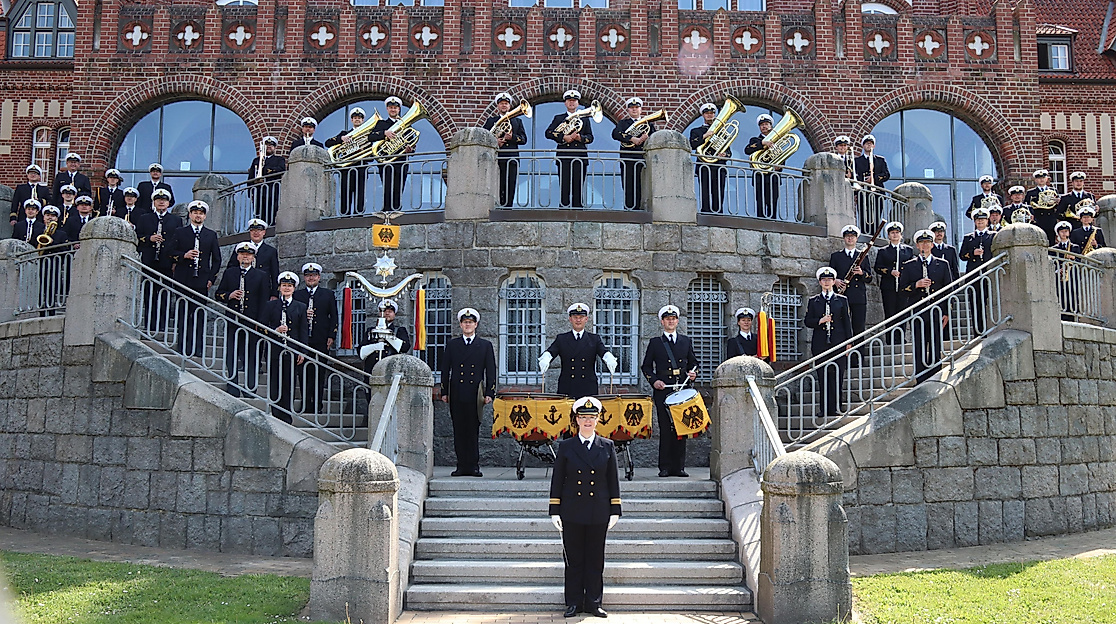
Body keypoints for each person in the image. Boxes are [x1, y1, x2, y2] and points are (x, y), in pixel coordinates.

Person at [548, 396, 621, 619]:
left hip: (598, 511)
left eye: (592, 417)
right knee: (574, 560)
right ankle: (573, 602)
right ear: (576, 420)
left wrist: (615, 509)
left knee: (595, 559)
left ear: (598, 420)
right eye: (583, 417)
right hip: (572, 511)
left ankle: (594, 602)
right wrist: (554, 510)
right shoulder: (566, 446)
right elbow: (558, 479)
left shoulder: (607, 446)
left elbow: (613, 481)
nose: (587, 421)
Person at [640, 305, 699, 478]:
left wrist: (693, 374)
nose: (670, 321)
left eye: (673, 319)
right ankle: (664, 467)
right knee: (666, 429)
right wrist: (654, 381)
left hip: (682, 390)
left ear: (677, 321)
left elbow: (694, 363)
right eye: (667, 319)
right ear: (662, 322)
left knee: (681, 429)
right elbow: (646, 367)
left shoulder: (685, 341)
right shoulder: (655, 343)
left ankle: (679, 467)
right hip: (663, 390)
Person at [439, 308, 497, 478]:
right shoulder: (452, 344)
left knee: (473, 429)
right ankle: (461, 465)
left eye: (470, 322)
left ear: (476, 325)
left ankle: (473, 465)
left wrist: (489, 393)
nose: (467, 325)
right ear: (460, 325)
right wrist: (444, 391)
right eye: (465, 322)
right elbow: (445, 369)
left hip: (475, 394)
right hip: (456, 392)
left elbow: (491, 370)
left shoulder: (485, 345)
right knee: (459, 429)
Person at [215, 241, 270, 396]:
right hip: (233, 319)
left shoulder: (261, 275)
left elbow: (263, 301)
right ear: (238, 256)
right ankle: (232, 385)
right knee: (231, 353)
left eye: (248, 255)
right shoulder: (230, 273)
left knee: (251, 354)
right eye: (242, 254)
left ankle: (250, 388)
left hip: (251, 321)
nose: (245, 257)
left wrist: (260, 323)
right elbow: (218, 293)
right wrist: (229, 295)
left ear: (253, 258)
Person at [168, 200, 221, 356]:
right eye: (195, 213)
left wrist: (211, 279)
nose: (198, 216)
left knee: (198, 314)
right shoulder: (180, 232)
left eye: (201, 213)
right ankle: (183, 347)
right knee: (183, 314)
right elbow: (169, 252)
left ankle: (198, 349)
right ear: (190, 214)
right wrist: (184, 255)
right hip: (183, 279)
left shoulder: (211, 235)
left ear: (205, 216)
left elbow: (217, 259)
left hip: (201, 281)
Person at [900, 230, 953, 383]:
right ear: (917, 245)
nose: (925, 245)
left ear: (932, 244)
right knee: (919, 345)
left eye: (928, 242)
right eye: (922, 243)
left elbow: (948, 290)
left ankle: (935, 375)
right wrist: (915, 285)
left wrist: (946, 312)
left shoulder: (942, 264)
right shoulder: (909, 266)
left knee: (936, 343)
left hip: (936, 310)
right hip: (918, 311)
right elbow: (902, 291)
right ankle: (920, 377)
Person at [539, 303, 617, 399]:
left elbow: (603, 351)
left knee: (588, 414)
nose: (578, 320)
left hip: (588, 387)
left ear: (586, 319)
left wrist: (609, 358)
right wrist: (546, 358)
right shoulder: (562, 339)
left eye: (581, 317)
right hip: (567, 386)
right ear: (570, 319)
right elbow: (551, 351)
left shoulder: (594, 339)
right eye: (575, 317)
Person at [803, 267, 853, 416]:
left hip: (838, 342)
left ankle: (837, 407)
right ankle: (824, 409)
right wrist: (820, 320)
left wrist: (849, 344)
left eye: (829, 280)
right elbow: (807, 321)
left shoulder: (842, 300)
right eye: (824, 280)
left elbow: (847, 323)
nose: (826, 282)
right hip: (821, 343)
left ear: (833, 282)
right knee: (823, 376)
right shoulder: (814, 301)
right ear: (820, 282)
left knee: (837, 375)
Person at [292, 262, 338, 413]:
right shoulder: (298, 295)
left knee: (319, 373)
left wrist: (332, 335)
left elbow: (334, 316)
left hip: (321, 338)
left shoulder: (327, 294)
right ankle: (305, 404)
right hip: (303, 340)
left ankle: (318, 405)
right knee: (303, 372)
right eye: (308, 275)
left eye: (313, 275)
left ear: (319, 277)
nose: (311, 278)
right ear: (304, 278)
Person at [133, 188, 182, 331]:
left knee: (165, 295)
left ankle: (162, 327)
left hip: (167, 263)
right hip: (149, 262)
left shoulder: (176, 220)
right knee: (149, 295)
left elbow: (179, 241)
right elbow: (137, 237)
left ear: (169, 203)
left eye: (164, 200)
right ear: (154, 202)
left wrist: (174, 261)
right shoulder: (144, 218)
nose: (161, 202)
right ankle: (149, 325)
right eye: (159, 200)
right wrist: (149, 238)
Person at [264, 272, 308, 422]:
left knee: (289, 382)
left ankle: (286, 414)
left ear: (294, 288)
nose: (287, 288)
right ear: (279, 288)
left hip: (291, 349)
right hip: (274, 348)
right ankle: (275, 411)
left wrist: (302, 351)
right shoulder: (271, 305)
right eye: (284, 286)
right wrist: (275, 330)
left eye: (289, 286)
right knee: (275, 380)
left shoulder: (300, 307)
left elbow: (303, 331)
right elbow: (262, 325)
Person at [546, 90, 594, 208]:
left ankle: (578, 209)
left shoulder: (584, 119)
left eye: (574, 101)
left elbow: (590, 137)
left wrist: (579, 138)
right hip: (564, 156)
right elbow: (548, 133)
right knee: (564, 184)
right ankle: (563, 208)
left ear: (577, 103)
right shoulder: (559, 118)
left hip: (580, 156)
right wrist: (564, 137)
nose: (572, 103)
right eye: (569, 101)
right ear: (565, 103)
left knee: (578, 185)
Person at [367, 96, 413, 211]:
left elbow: (412, 141)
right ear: (387, 109)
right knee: (387, 186)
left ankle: (396, 209)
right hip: (386, 160)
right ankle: (386, 209)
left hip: (401, 160)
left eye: (395, 108)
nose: (393, 110)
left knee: (399, 186)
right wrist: (384, 133)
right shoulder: (381, 124)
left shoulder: (405, 124)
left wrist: (410, 149)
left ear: (399, 109)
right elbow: (370, 137)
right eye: (391, 108)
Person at [483, 93, 528, 208]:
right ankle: (496, 207)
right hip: (496, 158)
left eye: (506, 104)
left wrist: (512, 138)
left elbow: (523, 139)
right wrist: (495, 142)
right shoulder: (491, 121)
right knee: (497, 184)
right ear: (498, 106)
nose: (504, 106)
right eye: (502, 103)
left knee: (510, 184)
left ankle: (508, 207)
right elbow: (483, 138)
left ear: (509, 106)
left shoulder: (517, 122)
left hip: (511, 157)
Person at [612, 97, 656, 210]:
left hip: (642, 158)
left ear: (641, 109)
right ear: (628, 110)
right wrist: (632, 139)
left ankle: (641, 209)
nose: (634, 110)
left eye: (637, 107)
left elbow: (655, 140)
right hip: (627, 158)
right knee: (628, 185)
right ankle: (629, 209)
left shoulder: (648, 124)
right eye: (632, 108)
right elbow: (615, 134)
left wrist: (646, 138)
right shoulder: (623, 123)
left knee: (642, 185)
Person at [324, 107, 370, 215]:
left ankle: (359, 214)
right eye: (355, 118)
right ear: (351, 120)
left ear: (362, 120)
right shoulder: (344, 134)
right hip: (346, 169)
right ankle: (345, 214)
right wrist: (341, 139)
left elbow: (372, 154)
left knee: (360, 192)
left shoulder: (367, 135)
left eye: (359, 118)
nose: (357, 119)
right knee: (345, 192)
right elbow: (328, 143)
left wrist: (362, 150)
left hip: (361, 167)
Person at [829, 224, 872, 336]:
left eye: (852, 236)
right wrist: (836, 281)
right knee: (841, 326)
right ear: (844, 238)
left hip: (858, 296)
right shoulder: (836, 256)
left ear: (856, 238)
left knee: (858, 327)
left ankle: (858, 353)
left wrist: (861, 273)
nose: (850, 238)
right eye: (847, 236)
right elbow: (830, 276)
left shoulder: (863, 256)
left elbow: (870, 278)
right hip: (842, 295)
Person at [959, 207, 995, 334]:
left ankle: (991, 329)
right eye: (978, 220)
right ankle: (978, 331)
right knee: (975, 303)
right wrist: (972, 253)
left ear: (987, 221)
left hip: (989, 273)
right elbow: (962, 255)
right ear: (974, 221)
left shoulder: (993, 236)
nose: (980, 222)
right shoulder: (968, 237)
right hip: (974, 274)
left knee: (990, 302)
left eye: (983, 219)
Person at [689, 102, 729, 214]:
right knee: (705, 191)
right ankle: (705, 211)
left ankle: (718, 212)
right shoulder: (696, 131)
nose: (710, 115)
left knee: (719, 191)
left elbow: (728, 150)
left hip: (719, 166)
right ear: (703, 115)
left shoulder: (722, 131)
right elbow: (692, 144)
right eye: (707, 113)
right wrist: (705, 136)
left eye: (712, 113)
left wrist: (725, 154)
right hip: (704, 165)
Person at [226, 218, 279, 298]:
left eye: (259, 230)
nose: (256, 233)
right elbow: (232, 268)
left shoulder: (271, 251)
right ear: (250, 232)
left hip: (262, 290)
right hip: (243, 288)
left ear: (264, 232)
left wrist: (274, 294)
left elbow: (274, 273)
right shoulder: (240, 248)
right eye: (253, 230)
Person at [873, 221, 913, 325]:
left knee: (903, 314)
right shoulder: (883, 251)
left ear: (901, 235)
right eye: (892, 233)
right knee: (890, 314)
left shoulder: (908, 250)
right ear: (889, 236)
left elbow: (912, 266)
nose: (895, 235)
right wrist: (890, 271)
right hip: (889, 287)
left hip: (903, 286)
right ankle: (891, 340)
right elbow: (878, 267)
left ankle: (901, 339)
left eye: (897, 232)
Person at [358, 299, 411, 374]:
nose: (387, 313)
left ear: (394, 314)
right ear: (380, 313)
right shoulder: (371, 331)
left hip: (390, 370)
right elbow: (361, 352)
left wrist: (388, 336)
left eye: (390, 311)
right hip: (371, 370)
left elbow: (405, 347)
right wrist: (375, 347)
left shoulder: (399, 330)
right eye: (384, 311)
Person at [743, 113, 780, 219]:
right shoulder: (755, 140)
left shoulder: (777, 141)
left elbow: (782, 154)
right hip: (760, 176)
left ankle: (773, 220)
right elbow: (747, 150)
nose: (764, 126)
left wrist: (780, 166)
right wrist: (763, 143)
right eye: (762, 125)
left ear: (771, 126)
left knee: (773, 200)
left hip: (773, 176)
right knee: (760, 200)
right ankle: (761, 220)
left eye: (766, 124)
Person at [854, 135, 890, 231]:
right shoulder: (857, 161)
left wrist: (873, 178)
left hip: (877, 192)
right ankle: (865, 233)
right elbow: (855, 175)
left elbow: (886, 174)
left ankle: (875, 234)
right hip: (863, 192)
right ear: (863, 146)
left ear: (874, 146)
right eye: (866, 144)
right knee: (863, 214)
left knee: (877, 214)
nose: (869, 145)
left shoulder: (880, 160)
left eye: (871, 144)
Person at [248, 136, 286, 224]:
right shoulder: (256, 160)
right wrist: (250, 192)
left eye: (271, 145)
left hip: (272, 191)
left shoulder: (279, 159)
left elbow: (281, 170)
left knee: (272, 212)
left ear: (275, 148)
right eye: (267, 145)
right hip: (258, 192)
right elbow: (251, 177)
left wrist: (266, 170)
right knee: (258, 213)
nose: (269, 147)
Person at [1051, 221, 1080, 321]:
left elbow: (1080, 262)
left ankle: (1073, 316)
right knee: (1061, 296)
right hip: (1059, 277)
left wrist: (1073, 259)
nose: (1064, 233)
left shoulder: (1074, 247)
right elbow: (1052, 263)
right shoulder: (1054, 249)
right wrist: (1058, 270)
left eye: (1066, 231)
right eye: (1062, 231)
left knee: (1072, 295)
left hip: (1071, 276)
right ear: (1058, 233)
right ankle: (1062, 316)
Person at [1026, 169, 1059, 244]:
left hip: (1050, 220)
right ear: (1035, 180)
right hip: (1038, 219)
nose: (1041, 180)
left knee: (1051, 241)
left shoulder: (1053, 190)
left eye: (1043, 178)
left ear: (1047, 179)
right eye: (1039, 178)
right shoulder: (1031, 192)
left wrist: (1057, 202)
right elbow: (1027, 206)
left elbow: (1057, 207)